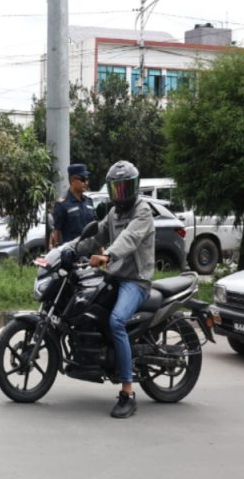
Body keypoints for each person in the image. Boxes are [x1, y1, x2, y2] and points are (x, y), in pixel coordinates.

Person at [72, 160, 154, 419]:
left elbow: (130, 238)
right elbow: (96, 236)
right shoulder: (114, 214)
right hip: (115, 277)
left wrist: (107, 255)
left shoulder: (143, 211)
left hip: (136, 281)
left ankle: (128, 393)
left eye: (124, 188)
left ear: (134, 187)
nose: (120, 195)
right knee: (90, 308)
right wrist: (69, 249)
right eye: (116, 189)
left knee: (117, 321)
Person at [50, 163, 97, 248]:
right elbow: (56, 233)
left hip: (89, 253)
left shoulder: (89, 202)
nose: (86, 183)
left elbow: (94, 232)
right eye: (82, 179)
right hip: (71, 253)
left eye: (87, 179)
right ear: (72, 180)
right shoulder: (62, 204)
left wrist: (102, 252)